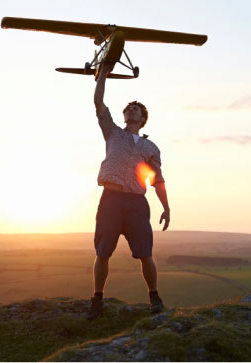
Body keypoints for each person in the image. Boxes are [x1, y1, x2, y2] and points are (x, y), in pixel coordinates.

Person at [87, 61, 171, 321]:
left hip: (136, 203)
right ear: (124, 116)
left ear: (143, 119)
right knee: (103, 252)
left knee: (145, 253)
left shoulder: (151, 148)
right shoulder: (112, 132)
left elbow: (157, 179)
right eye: (129, 108)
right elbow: (98, 103)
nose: (132, 110)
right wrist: (102, 75)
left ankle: (154, 298)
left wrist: (166, 207)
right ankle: (97, 299)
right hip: (110, 199)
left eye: (136, 109)